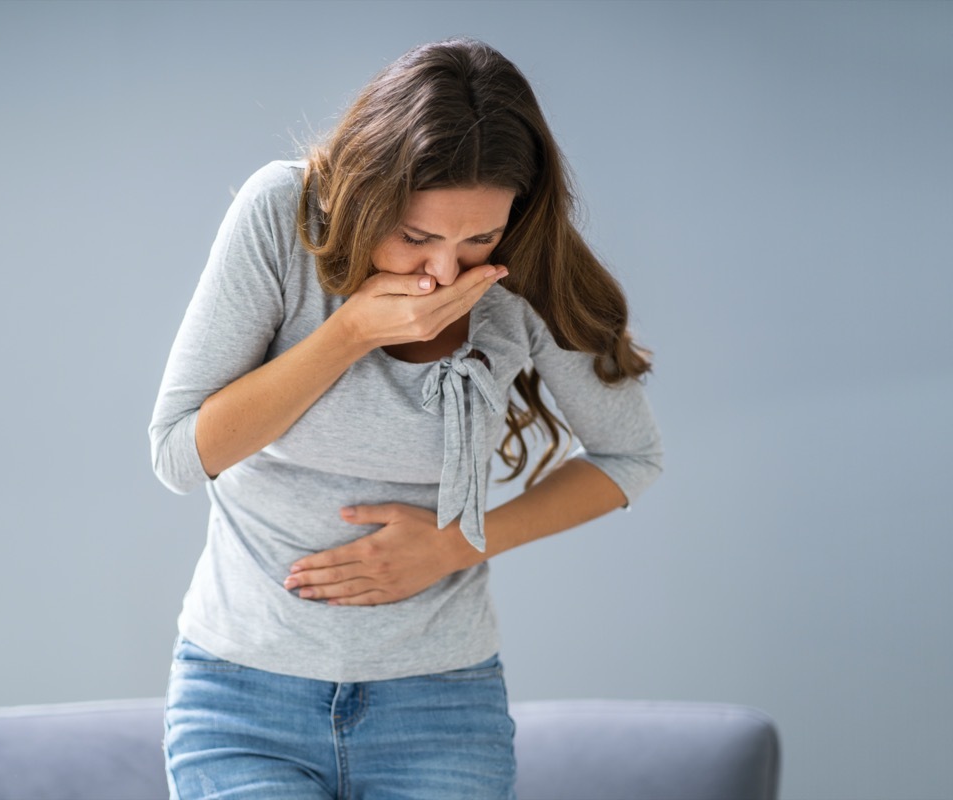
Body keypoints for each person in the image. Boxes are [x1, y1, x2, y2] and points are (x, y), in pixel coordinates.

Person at [149, 38, 663, 800]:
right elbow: (180, 455)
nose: (444, 273)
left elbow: (631, 457)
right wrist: (351, 332)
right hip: (242, 695)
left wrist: (452, 548)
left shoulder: (529, 266)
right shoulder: (281, 216)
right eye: (416, 237)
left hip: (440, 705)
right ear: (366, 194)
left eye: (478, 239)